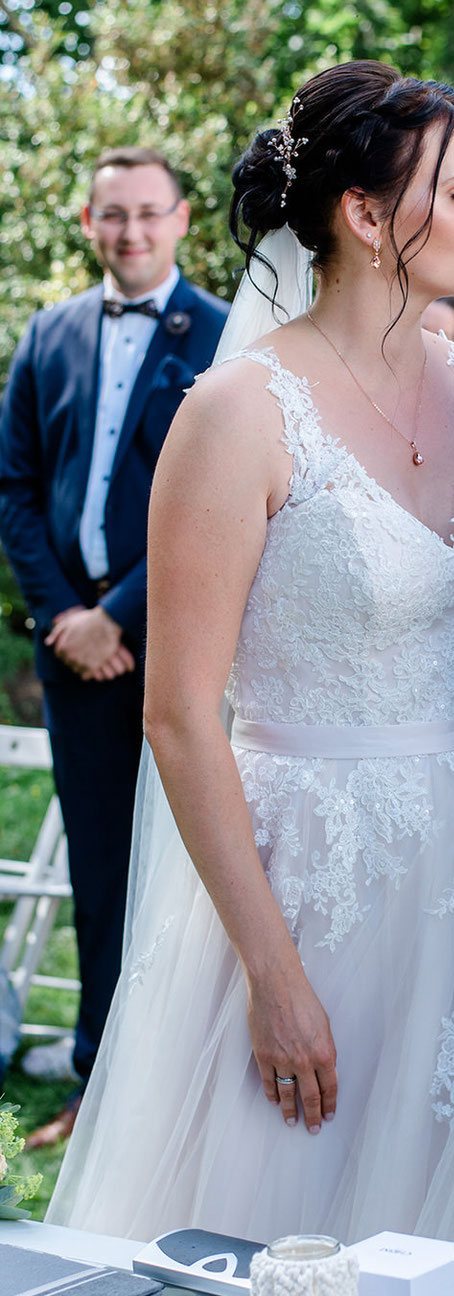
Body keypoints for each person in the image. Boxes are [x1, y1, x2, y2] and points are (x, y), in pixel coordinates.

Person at [48, 62, 454, 1296]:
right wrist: (270, 971)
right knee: (301, 1259)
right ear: (368, 217)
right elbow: (179, 713)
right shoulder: (240, 412)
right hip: (314, 894)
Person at [0, 147, 228, 1142]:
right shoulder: (47, 334)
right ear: (88, 223)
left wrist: (121, 614)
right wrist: (66, 619)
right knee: (99, 874)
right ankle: (99, 1083)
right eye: (112, 216)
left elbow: (226, 504)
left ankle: (179, 1092)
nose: (130, 232)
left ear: (181, 220)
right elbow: (12, 487)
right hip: (75, 657)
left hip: (178, 647)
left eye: (148, 214)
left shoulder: (226, 337)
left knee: (186, 877)